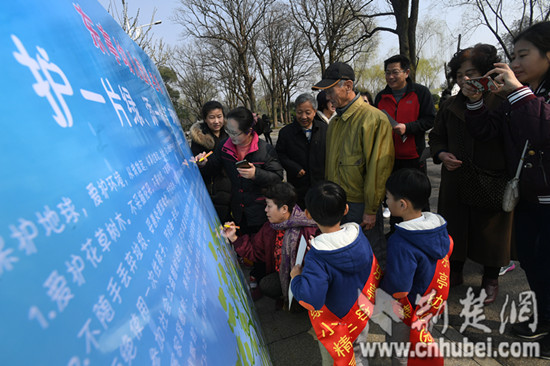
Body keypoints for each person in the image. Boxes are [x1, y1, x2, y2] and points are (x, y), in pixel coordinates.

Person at [464, 22, 550, 358]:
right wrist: (476, 101)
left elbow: (542, 129)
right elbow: (488, 130)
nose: (514, 62)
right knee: (533, 260)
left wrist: (517, 93)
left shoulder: (526, 95)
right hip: (529, 196)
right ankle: (543, 318)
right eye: (512, 55)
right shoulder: (524, 94)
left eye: (523, 55)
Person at [428, 44, 513, 305]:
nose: (465, 79)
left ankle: (490, 278)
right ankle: (454, 272)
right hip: (456, 179)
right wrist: (442, 154)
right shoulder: (451, 105)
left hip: (491, 179)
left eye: (472, 73)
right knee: (454, 228)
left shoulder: (502, 101)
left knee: (491, 233)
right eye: (460, 75)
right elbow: (437, 137)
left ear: (486, 74)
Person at [312, 61, 394, 266]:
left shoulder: (373, 119)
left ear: (348, 86)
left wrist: (371, 209)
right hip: (338, 204)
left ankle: (376, 296)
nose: (327, 97)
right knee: (346, 257)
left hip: (361, 205)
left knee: (371, 255)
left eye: (330, 91)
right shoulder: (335, 123)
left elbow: (378, 170)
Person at [290, 181, 380, 366]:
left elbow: (311, 299)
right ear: (346, 209)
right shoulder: (359, 238)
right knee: (359, 355)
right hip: (360, 315)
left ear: (308, 215)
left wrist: (296, 278)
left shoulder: (317, 256)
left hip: (335, 324)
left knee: (336, 360)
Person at [380, 168, 452, 366]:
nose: (386, 202)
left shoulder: (401, 241)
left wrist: (380, 287)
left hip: (408, 308)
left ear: (402, 204)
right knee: (419, 339)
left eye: (387, 198)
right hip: (430, 303)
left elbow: (399, 286)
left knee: (400, 349)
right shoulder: (437, 229)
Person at [223, 182, 318, 304]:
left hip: (308, 280)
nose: (265, 210)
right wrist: (234, 237)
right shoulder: (269, 228)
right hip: (285, 277)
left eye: (269, 206)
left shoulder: (308, 229)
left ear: (284, 209)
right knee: (267, 285)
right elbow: (255, 251)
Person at [197, 106, 283, 234]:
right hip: (238, 211)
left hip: (261, 212)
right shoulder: (224, 147)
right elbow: (214, 166)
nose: (230, 136)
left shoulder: (265, 150)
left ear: (248, 131)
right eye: (228, 131)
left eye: (235, 133)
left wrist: (256, 174)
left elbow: (277, 176)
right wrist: (204, 163)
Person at [375, 55, 435, 174]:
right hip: (387, 158)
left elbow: (430, 119)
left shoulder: (421, 93)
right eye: (387, 73)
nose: (390, 77)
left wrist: (407, 128)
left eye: (395, 72)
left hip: (414, 157)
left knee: (415, 191)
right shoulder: (380, 97)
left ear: (406, 72)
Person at [276, 93, 328, 209]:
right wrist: (294, 167)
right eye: (299, 112)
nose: (303, 117)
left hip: (321, 185)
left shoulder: (325, 129)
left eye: (308, 112)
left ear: (315, 112)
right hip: (298, 186)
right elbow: (280, 154)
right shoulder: (286, 133)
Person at [189, 101, 232, 222]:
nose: (217, 121)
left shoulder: (230, 135)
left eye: (219, 116)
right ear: (205, 120)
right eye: (212, 117)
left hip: (232, 189)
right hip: (213, 191)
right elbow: (196, 168)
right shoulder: (199, 140)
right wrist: (201, 164)